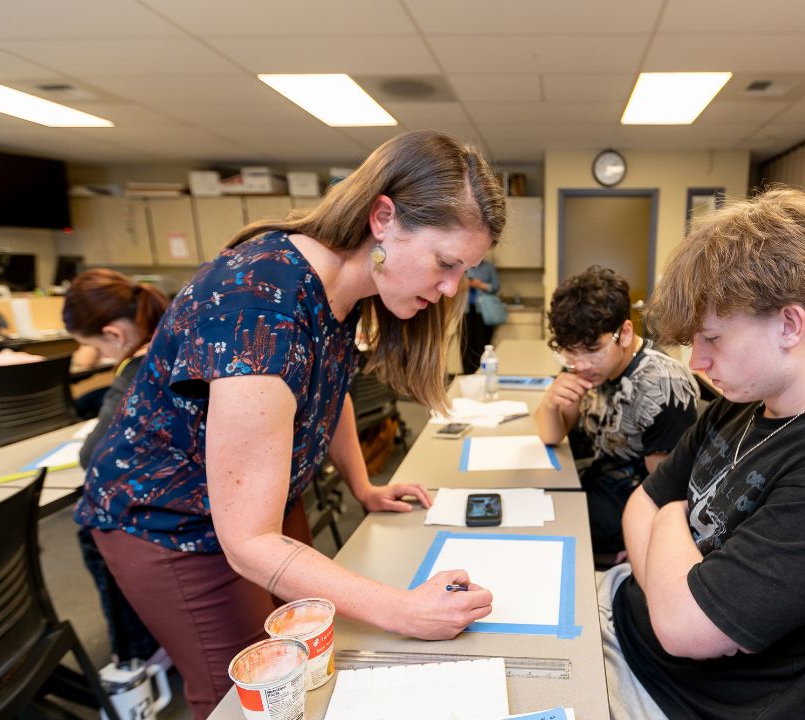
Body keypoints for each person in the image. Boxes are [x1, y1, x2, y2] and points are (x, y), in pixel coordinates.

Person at [79, 130, 504, 718]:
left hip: (260, 504)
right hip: (167, 520)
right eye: (446, 263)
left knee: (308, 658)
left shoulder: (344, 290)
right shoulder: (259, 302)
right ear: (384, 218)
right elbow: (248, 542)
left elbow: (329, 392)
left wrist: (363, 486)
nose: (453, 287)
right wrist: (403, 610)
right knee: (246, 692)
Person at [602, 188, 805, 719]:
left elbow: (683, 629)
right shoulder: (741, 404)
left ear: (789, 324)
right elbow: (637, 503)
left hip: (672, 696)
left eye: (712, 339)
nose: (699, 362)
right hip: (622, 612)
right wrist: (667, 583)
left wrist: (668, 515)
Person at [534, 265, 698, 559]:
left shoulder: (660, 385)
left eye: (592, 349)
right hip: (589, 483)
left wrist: (640, 547)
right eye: (570, 352)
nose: (580, 364)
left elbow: (667, 492)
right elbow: (551, 435)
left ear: (624, 333)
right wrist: (550, 402)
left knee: (535, 537)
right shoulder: (587, 363)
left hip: (624, 509)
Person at [62, 269, 170, 667]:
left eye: (97, 347)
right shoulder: (180, 342)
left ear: (115, 335)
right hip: (203, 488)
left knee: (91, 526)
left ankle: (135, 653)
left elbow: (94, 455)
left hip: (176, 510)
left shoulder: (135, 370)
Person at [459, 257, 503, 374]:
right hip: (465, 311)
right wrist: (465, 284)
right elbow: (455, 287)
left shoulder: (488, 267)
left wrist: (480, 285)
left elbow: (495, 286)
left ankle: (482, 372)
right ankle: (467, 374)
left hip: (483, 312)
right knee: (466, 345)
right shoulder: (462, 266)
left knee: (482, 343)